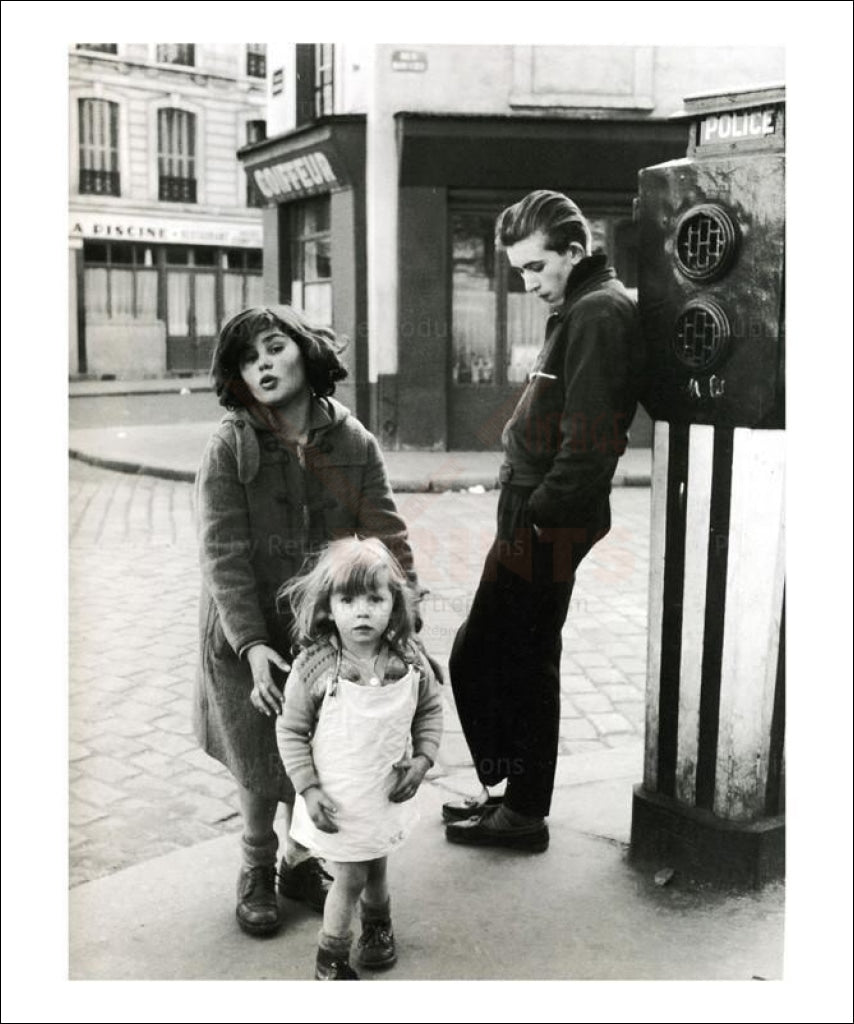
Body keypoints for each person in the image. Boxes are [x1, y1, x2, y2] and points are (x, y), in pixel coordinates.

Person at [194, 305, 416, 938]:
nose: (262, 364)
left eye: (273, 348)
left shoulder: (354, 443)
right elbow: (222, 552)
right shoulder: (229, 444)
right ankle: (257, 866)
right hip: (246, 632)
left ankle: (298, 861)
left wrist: (409, 624)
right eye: (247, 358)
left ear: (305, 351)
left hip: (327, 633)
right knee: (259, 755)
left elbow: (388, 540)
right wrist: (252, 644)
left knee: (321, 747)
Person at [444, 190, 646, 851]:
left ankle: (522, 809)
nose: (528, 284)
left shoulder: (599, 313)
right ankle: (511, 795)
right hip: (532, 511)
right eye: (519, 272)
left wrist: (538, 520)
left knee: (507, 659)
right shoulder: (581, 307)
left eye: (535, 268)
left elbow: (590, 442)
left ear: (574, 252)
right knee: (499, 656)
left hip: (546, 519)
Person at [276, 537, 443, 980]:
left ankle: (378, 926)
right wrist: (307, 789)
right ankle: (329, 961)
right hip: (338, 800)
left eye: (375, 598)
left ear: (395, 604)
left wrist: (423, 759)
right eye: (348, 599)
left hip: (385, 792)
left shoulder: (407, 661)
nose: (363, 610)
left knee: (378, 861)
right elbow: (291, 730)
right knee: (348, 877)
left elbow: (429, 710)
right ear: (329, 607)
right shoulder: (315, 668)